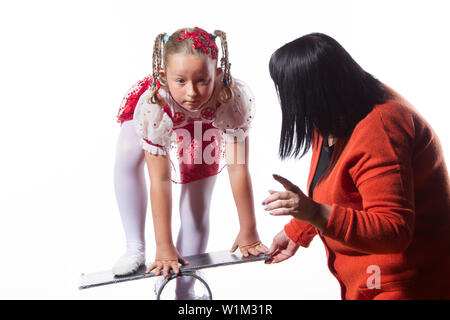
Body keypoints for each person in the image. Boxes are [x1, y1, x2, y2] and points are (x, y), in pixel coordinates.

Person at [263, 32, 450, 299]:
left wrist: (314, 213)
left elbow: (393, 229)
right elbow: (344, 193)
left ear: (312, 92)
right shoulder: (334, 113)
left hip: (406, 285)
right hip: (372, 282)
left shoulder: (380, 129)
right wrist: (298, 229)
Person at [113, 27, 267, 299]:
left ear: (217, 75)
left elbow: (238, 167)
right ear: (162, 76)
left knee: (197, 205)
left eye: (202, 80)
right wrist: (163, 245)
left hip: (205, 121)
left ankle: (185, 290)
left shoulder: (229, 98)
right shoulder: (155, 102)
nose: (192, 92)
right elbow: (159, 180)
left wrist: (249, 230)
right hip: (165, 113)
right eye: (181, 81)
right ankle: (135, 246)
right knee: (127, 152)